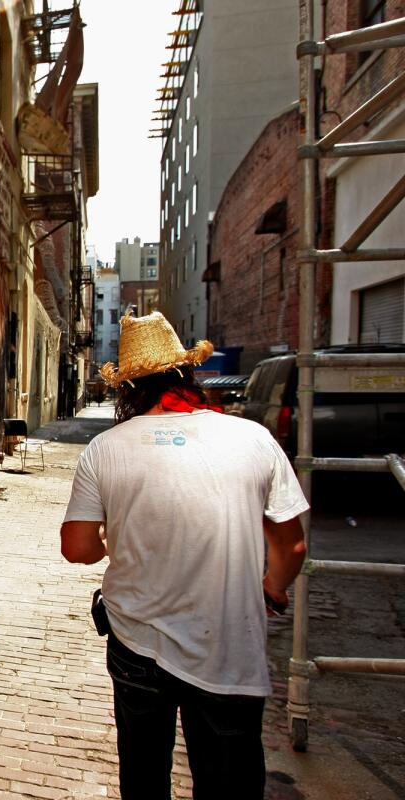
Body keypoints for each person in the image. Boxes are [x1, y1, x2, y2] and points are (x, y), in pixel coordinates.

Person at [59, 311, 307, 799]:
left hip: (137, 646)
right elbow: (291, 544)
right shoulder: (253, 438)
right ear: (187, 372)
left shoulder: (105, 449)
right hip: (229, 649)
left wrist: (126, 539)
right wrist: (273, 587)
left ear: (128, 388)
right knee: (229, 784)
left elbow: (77, 548)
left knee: (145, 776)